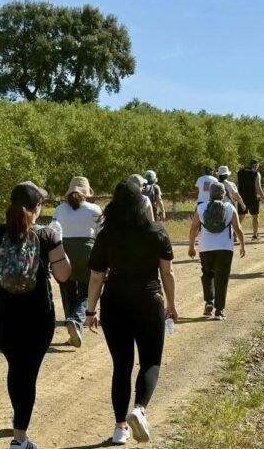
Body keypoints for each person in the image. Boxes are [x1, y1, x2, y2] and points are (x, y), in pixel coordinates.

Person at [0, 181, 72, 449]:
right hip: (38, 315)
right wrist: (60, 246)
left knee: (17, 368)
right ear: (38, 207)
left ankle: (19, 429)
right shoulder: (47, 235)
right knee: (28, 373)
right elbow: (63, 275)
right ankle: (19, 437)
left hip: (3, 315)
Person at [86, 182, 178, 444]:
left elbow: (96, 276)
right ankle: (139, 409)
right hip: (149, 300)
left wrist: (90, 310)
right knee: (151, 360)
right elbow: (167, 272)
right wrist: (171, 304)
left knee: (121, 366)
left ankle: (119, 429)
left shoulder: (107, 235)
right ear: (142, 203)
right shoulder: (156, 232)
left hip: (114, 302)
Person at [52, 176, 102, 348]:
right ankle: (76, 322)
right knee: (88, 292)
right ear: (86, 193)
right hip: (87, 253)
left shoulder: (59, 210)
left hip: (64, 252)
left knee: (67, 290)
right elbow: (101, 234)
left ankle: (73, 326)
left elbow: (54, 232)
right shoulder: (94, 209)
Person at [188, 182, 246, 320]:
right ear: (223, 194)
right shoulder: (229, 207)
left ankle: (209, 301)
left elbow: (193, 228)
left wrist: (191, 246)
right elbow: (238, 228)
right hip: (225, 247)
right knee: (222, 277)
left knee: (207, 273)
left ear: (210, 193)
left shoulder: (201, 208)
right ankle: (219, 310)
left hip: (205, 247)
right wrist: (242, 245)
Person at [236, 159, 264, 241]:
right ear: (256, 166)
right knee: (255, 216)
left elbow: (236, 184)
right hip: (253, 197)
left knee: (240, 216)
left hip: (242, 197)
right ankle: (255, 235)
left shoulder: (240, 172)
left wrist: (236, 196)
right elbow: (258, 187)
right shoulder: (256, 173)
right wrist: (263, 197)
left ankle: (234, 235)